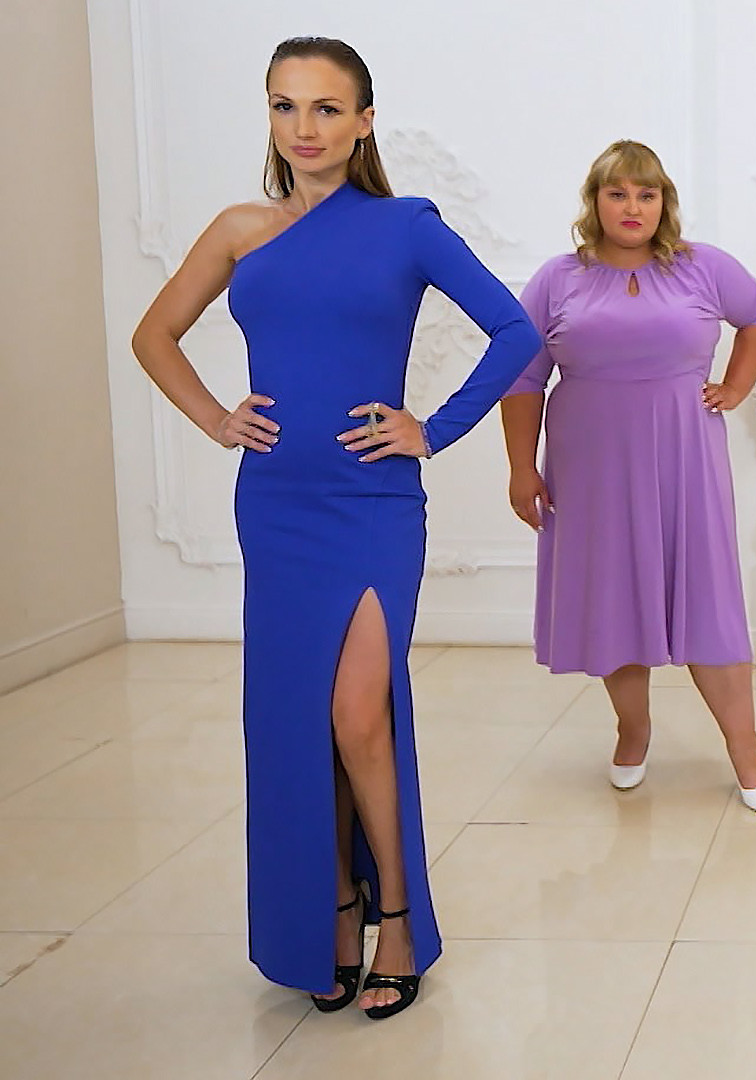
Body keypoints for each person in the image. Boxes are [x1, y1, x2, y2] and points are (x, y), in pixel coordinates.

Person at [130, 37, 539, 1019]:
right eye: (285, 106)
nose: (303, 127)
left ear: (363, 122)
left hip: (372, 504)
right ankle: (333, 905)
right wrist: (216, 418)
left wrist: (431, 429)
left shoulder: (406, 227)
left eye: (325, 108)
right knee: (297, 718)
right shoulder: (239, 229)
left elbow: (519, 331)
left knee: (358, 712)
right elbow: (153, 334)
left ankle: (397, 919)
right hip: (277, 504)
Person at [502, 141, 756, 811]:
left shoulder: (702, 267)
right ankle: (633, 729)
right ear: (595, 202)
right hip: (589, 466)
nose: (633, 206)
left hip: (684, 457)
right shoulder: (557, 280)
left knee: (707, 599)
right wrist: (520, 468)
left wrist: (735, 387)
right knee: (614, 598)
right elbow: (523, 377)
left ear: (664, 203)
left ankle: (745, 749)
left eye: (646, 194)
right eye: (618, 193)